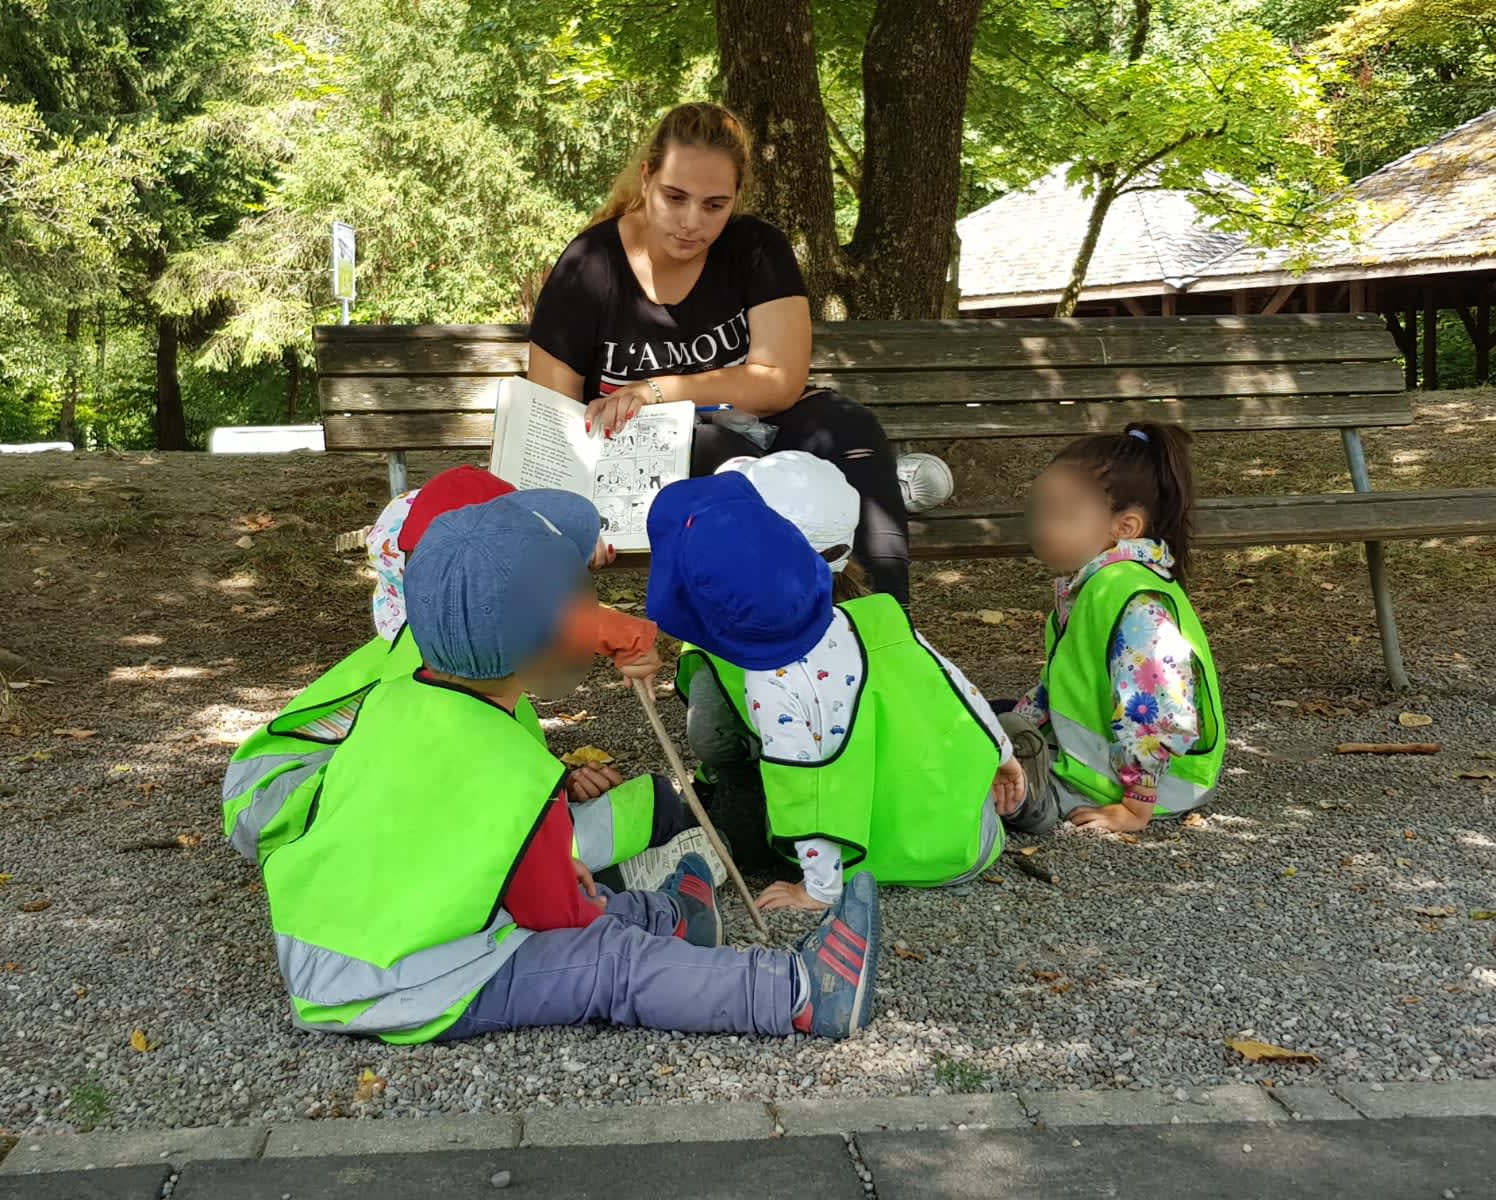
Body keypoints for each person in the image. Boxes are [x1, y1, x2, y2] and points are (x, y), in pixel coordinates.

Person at [247, 488, 883, 1043]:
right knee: (609, 960)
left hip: (340, 941)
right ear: (544, 645)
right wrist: (565, 885)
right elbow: (555, 917)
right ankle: (798, 993)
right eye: (581, 602)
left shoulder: (395, 695)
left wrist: (551, 867)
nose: (592, 615)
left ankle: (675, 918)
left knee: (583, 892)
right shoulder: (513, 764)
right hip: (399, 983)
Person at [525, 100, 948, 606]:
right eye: (674, 197)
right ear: (645, 179)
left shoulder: (756, 249)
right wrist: (572, 508)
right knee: (724, 461)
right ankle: (780, 645)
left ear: (736, 199)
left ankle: (885, 632)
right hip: (648, 454)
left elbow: (779, 382)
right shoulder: (591, 264)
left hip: (763, 422)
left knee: (850, 429)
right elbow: (551, 414)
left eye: (714, 205)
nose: (690, 222)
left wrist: (657, 390)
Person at [225, 465, 698, 886]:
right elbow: (473, 783)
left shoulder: (450, 640)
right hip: (291, 808)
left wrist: (562, 783)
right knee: (649, 806)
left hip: (295, 795)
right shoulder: (433, 676)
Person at [649, 468, 1021, 912]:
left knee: (747, 825)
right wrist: (1004, 754)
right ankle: (1029, 776)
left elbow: (805, 788)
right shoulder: (881, 618)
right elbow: (959, 689)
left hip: (872, 859)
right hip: (969, 842)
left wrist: (818, 890)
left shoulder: (770, 681)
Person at [1001, 422, 1225, 835]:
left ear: (1124, 528)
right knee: (986, 724)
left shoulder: (1128, 595)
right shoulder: (1090, 587)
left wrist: (1135, 808)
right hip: (1107, 760)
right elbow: (1061, 686)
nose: (1043, 527)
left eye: (1063, 515)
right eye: (1040, 512)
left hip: (1155, 786)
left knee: (1001, 794)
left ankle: (1036, 798)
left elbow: (1157, 707)